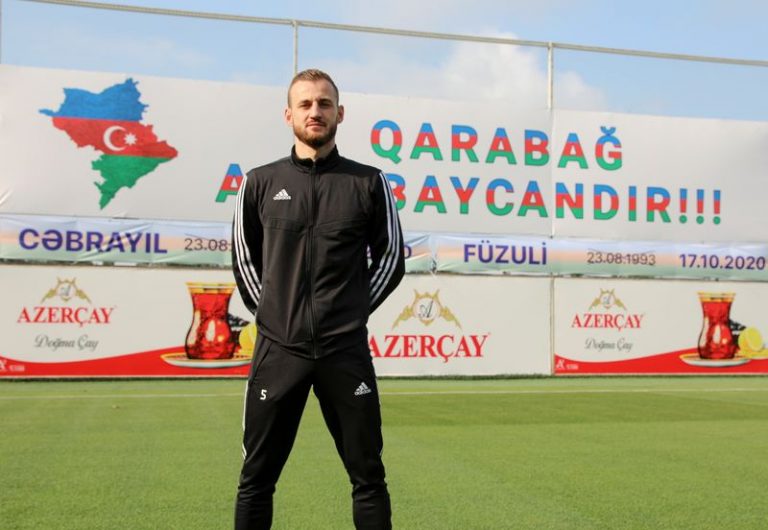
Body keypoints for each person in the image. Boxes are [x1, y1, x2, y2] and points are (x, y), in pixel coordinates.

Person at [231, 69, 405, 530]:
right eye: (305, 104)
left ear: (340, 114)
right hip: (278, 352)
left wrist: (348, 315)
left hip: (343, 352)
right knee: (256, 479)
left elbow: (390, 259)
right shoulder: (258, 183)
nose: (315, 112)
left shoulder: (368, 183)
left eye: (324, 104)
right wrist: (273, 318)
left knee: (368, 477)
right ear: (288, 114)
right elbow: (244, 259)